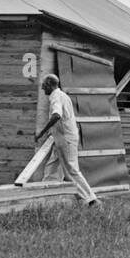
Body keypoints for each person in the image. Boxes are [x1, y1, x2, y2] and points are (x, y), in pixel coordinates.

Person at [36, 74, 100, 206]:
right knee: (51, 168)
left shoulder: (56, 97)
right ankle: (47, 199)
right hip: (61, 139)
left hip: (65, 140)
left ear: (50, 84)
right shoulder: (63, 96)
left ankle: (91, 200)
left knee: (71, 170)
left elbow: (57, 115)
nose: (42, 88)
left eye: (44, 85)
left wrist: (42, 132)